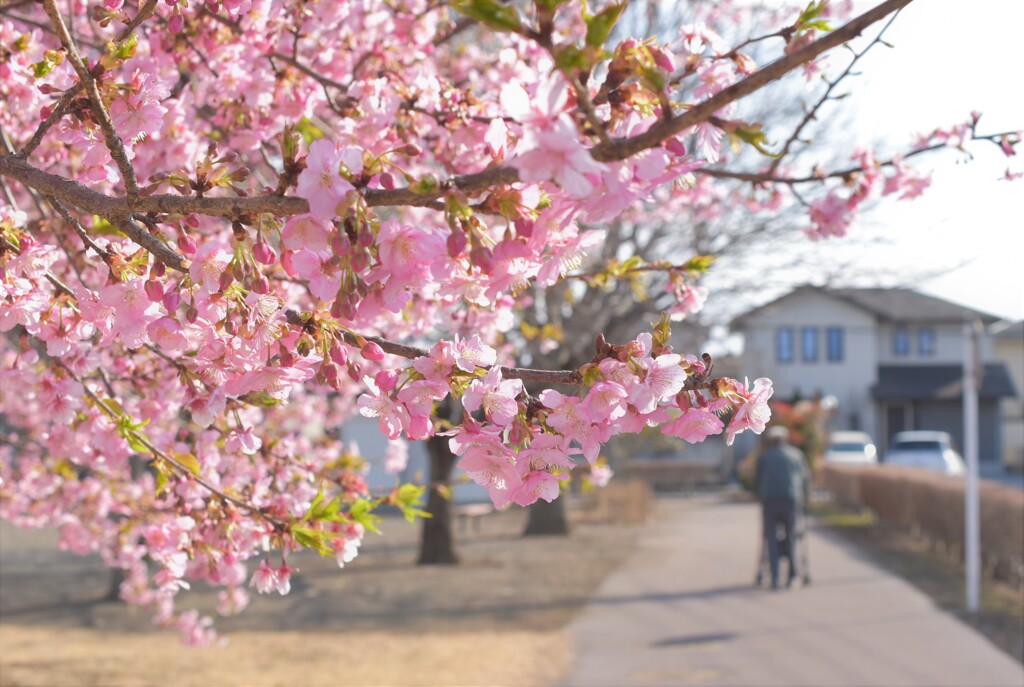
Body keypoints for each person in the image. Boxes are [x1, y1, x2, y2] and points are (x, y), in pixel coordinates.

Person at [755, 425, 810, 589]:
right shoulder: (796, 455)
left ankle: (775, 577)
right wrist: (805, 498)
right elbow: (805, 478)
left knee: (771, 538)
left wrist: (760, 496)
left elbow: (757, 481)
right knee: (791, 537)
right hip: (791, 500)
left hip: (770, 501)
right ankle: (793, 576)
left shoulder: (764, 457)